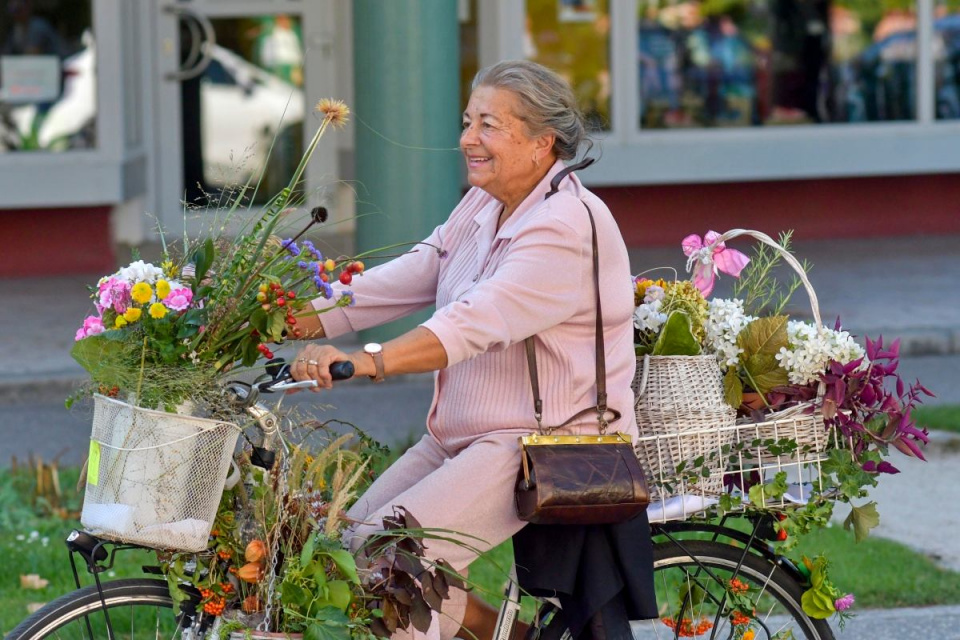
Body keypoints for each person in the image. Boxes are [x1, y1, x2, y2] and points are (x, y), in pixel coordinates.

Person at [292, 60, 651, 640]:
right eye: (467, 121)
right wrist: (302, 315)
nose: (467, 139)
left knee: (390, 567)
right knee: (346, 547)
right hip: (460, 433)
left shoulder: (565, 223)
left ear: (543, 141)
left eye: (488, 124)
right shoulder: (486, 202)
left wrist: (368, 360)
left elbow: (474, 323)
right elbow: (421, 270)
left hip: (539, 442)